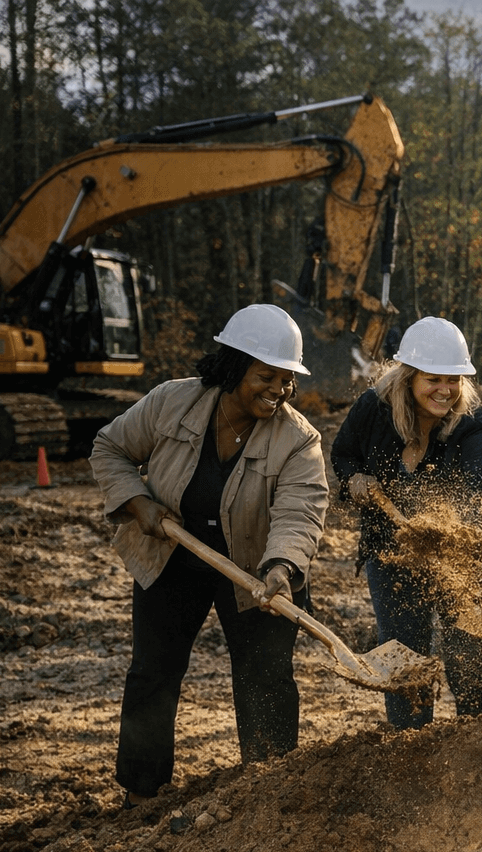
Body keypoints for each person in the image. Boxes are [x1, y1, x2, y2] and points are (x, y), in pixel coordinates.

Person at [89, 304, 328, 808]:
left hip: (256, 567)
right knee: (154, 669)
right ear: (232, 366)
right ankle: (142, 787)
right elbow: (110, 448)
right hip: (172, 552)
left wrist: (281, 568)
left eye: (288, 380)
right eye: (267, 376)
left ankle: (269, 787)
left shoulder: (299, 438)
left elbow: (299, 512)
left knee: (265, 675)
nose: (280, 390)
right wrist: (139, 503)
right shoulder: (172, 402)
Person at [329, 317, 482, 729]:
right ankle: (411, 745)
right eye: (433, 379)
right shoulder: (373, 408)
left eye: (454, 380)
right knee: (404, 656)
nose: (445, 390)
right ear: (408, 377)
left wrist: (449, 529)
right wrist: (355, 480)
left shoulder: (473, 423)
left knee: (470, 656)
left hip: (464, 556)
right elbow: (344, 454)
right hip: (390, 550)